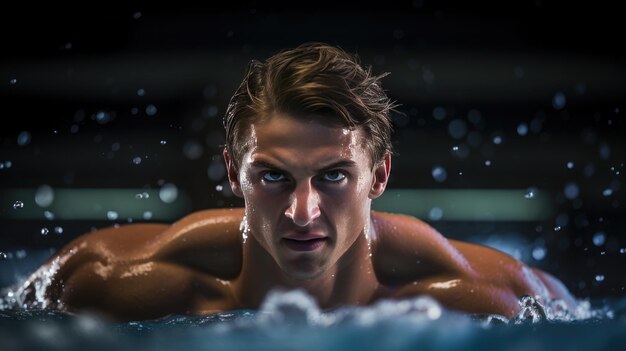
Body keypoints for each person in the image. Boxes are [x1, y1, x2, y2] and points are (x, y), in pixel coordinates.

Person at [19, 42, 577, 322]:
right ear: (236, 175)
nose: (302, 212)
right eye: (274, 177)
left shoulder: (481, 299)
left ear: (378, 175)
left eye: (333, 175)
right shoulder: (119, 283)